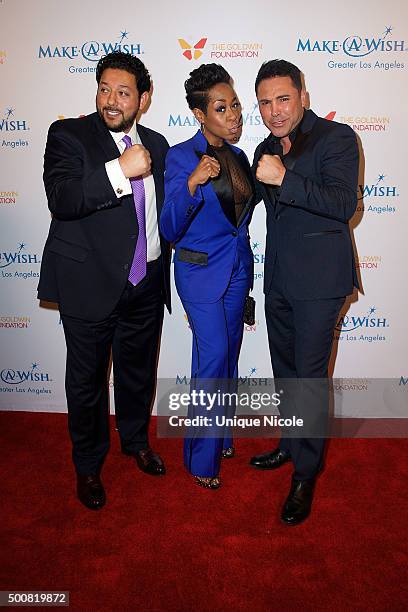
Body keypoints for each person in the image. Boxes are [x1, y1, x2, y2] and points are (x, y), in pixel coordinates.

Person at [38, 51, 171, 510]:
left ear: (144, 98)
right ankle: (89, 464)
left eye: (123, 92)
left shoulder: (158, 142)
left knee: (137, 374)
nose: (111, 101)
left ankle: (135, 442)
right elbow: (63, 198)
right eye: (104, 89)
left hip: (146, 281)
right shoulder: (68, 134)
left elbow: (162, 213)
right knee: (87, 381)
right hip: (88, 282)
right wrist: (120, 171)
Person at [250, 59, 359, 525]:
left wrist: (284, 179)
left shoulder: (337, 138)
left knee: (309, 380)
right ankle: (291, 445)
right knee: (286, 373)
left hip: (320, 284)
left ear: (303, 96)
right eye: (265, 103)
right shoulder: (261, 148)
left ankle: (306, 474)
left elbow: (342, 206)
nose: (274, 111)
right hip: (278, 280)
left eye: (283, 99)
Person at [160, 64, 256, 489]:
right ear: (200, 115)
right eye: (222, 108)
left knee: (229, 353)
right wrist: (193, 185)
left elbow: (240, 221)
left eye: (234, 104)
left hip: (236, 269)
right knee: (213, 357)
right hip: (198, 273)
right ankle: (201, 459)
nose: (233, 114)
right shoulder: (181, 156)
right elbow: (168, 228)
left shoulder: (239, 156)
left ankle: (222, 435)